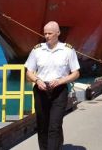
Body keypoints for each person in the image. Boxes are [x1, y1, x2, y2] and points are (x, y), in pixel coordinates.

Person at [25, 21, 80, 150]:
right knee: (42, 125)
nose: (47, 36)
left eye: (50, 33)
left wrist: (61, 81)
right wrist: (37, 80)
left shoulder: (68, 50)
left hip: (59, 90)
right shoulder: (37, 50)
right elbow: (29, 72)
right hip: (41, 90)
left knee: (55, 125)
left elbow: (76, 73)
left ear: (58, 33)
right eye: (45, 33)